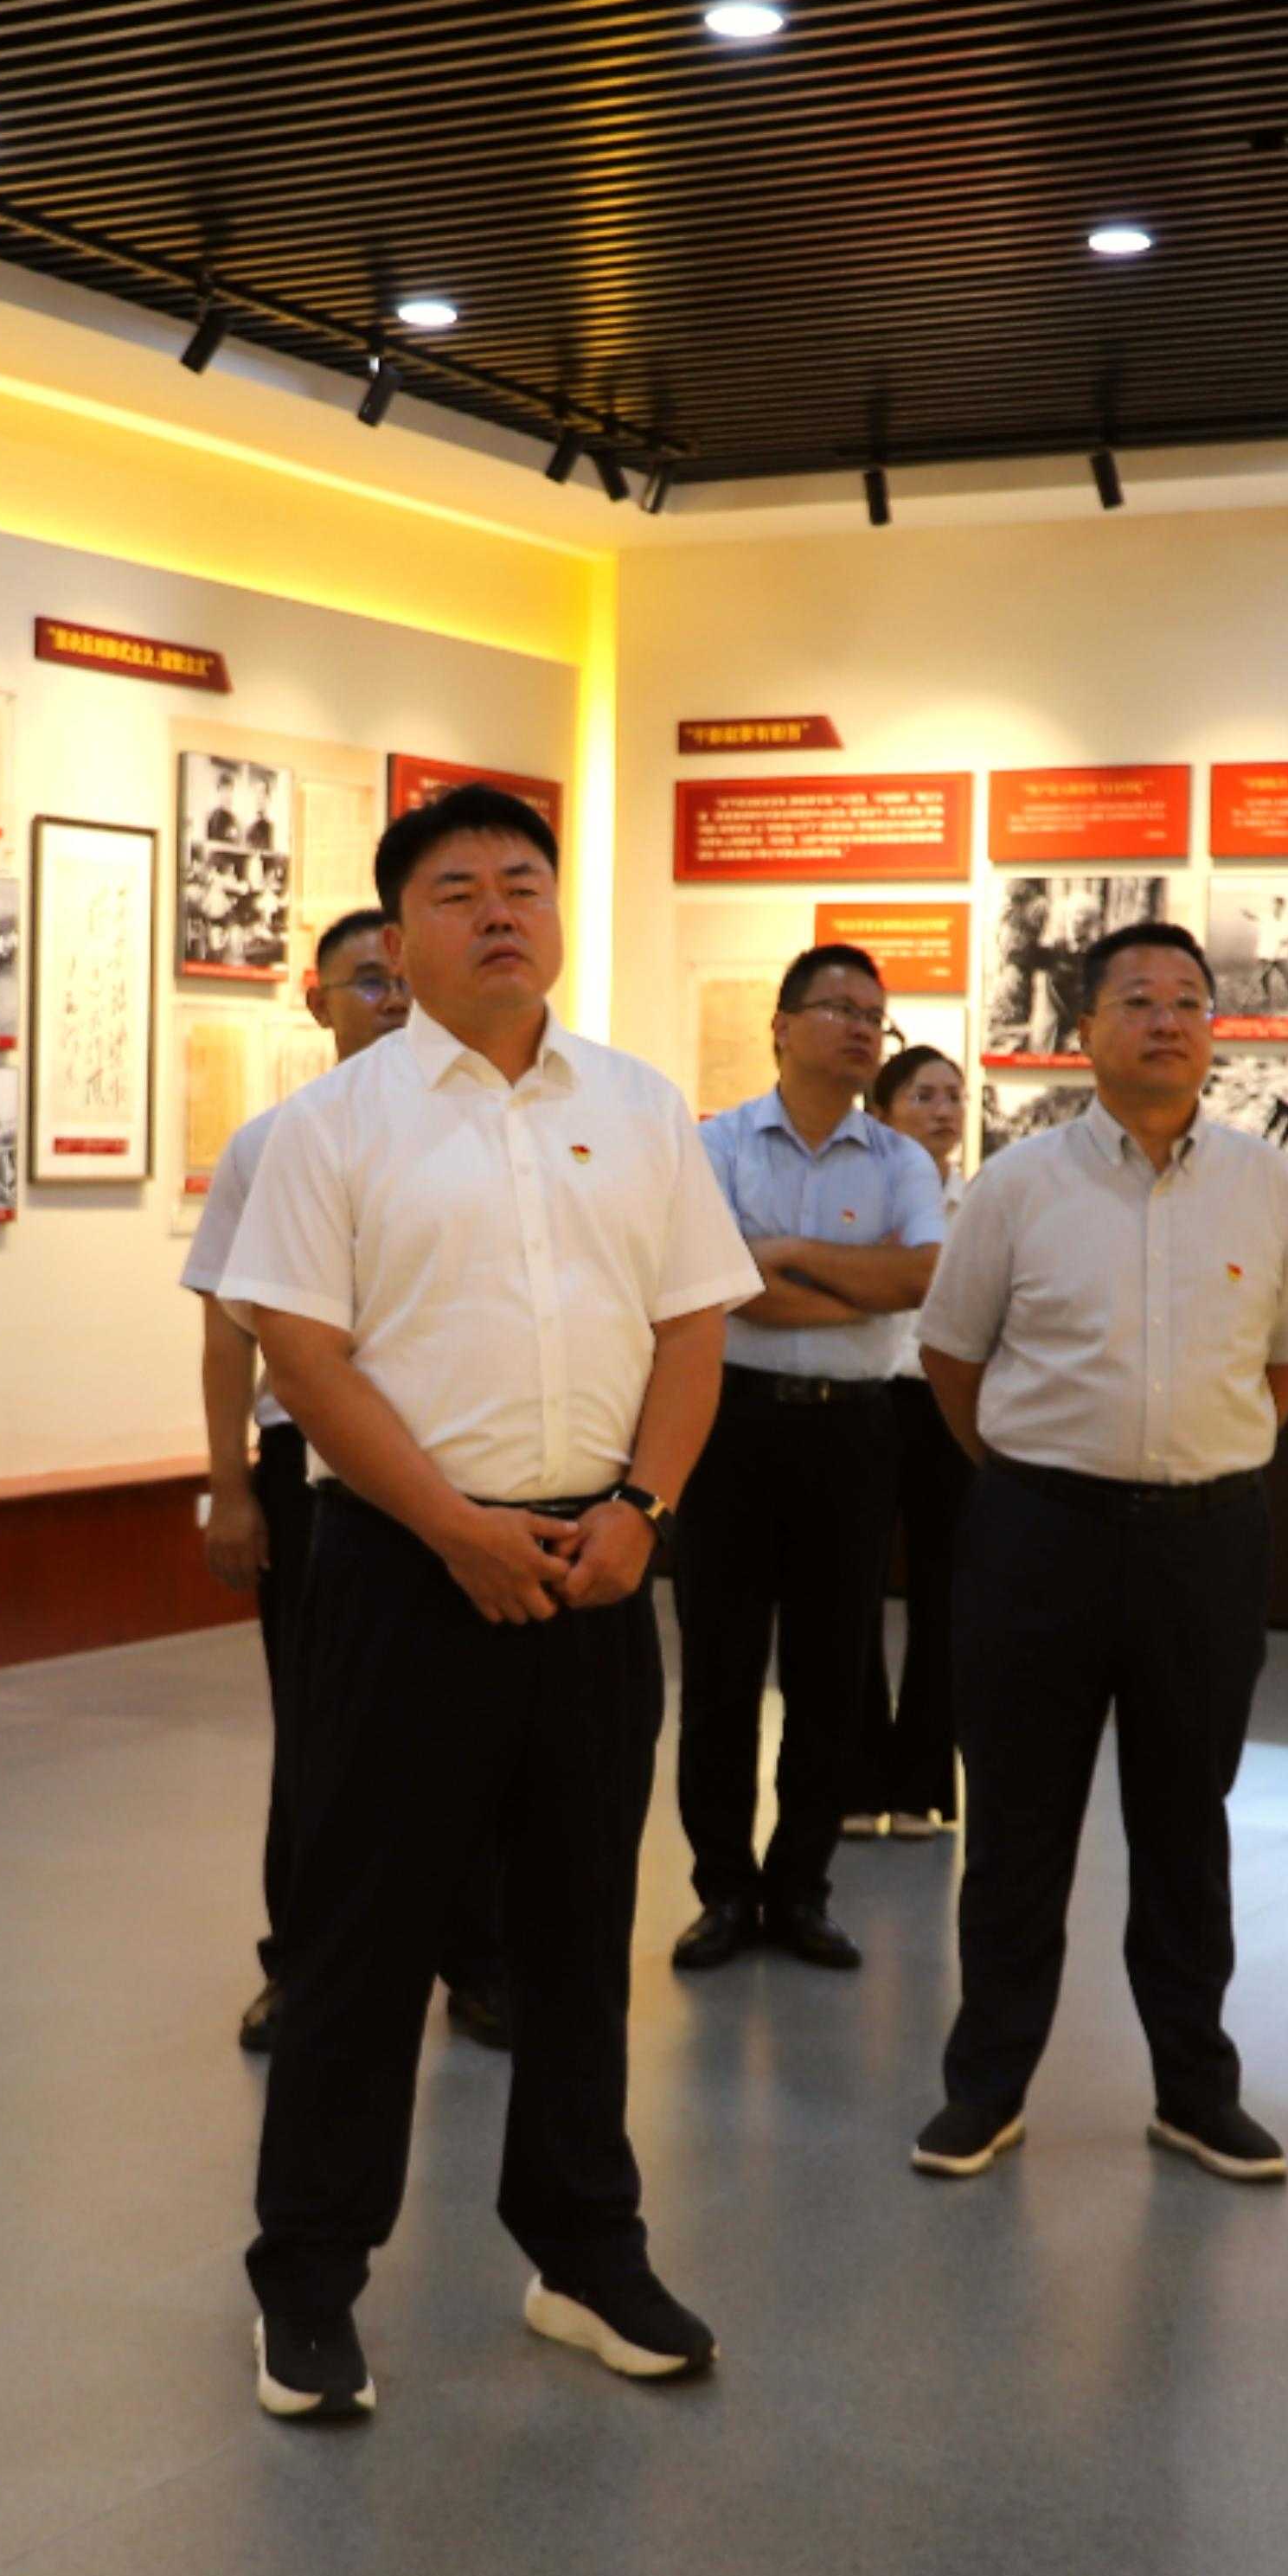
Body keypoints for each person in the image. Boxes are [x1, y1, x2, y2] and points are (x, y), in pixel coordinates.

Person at [214, 785, 757, 2419]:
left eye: (522, 881)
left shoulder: (639, 1107)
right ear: (398, 938)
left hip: (595, 1566)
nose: (498, 909)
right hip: (403, 1569)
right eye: (455, 890)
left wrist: (643, 1512)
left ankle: (582, 2250)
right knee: (361, 1941)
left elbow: (690, 1327)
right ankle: (308, 2279)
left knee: (579, 1932)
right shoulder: (328, 1127)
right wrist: (451, 1526)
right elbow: (299, 1354)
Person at [907, 922, 1288, 2188]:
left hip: (1206, 1543)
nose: (1167, 1019)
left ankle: (1195, 2093)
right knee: (1017, 1828)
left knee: (1186, 1826)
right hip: (1038, 1536)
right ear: (1083, 1031)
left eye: (1189, 1000)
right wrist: (1042, 1471)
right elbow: (951, 1357)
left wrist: (1195, 1459)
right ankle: (984, 2091)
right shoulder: (1017, 1185)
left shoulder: (1263, 1181)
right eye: (1137, 999)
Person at [182, 907, 510, 2054]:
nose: (390, 998)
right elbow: (228, 1334)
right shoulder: (272, 1143)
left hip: (463, 1463)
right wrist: (229, 1489)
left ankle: (479, 1961)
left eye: (402, 978)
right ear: (315, 1000)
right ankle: (305, 1965)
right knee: (321, 1732)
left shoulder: (483, 1130)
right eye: (366, 980)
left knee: (472, 1727)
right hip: (313, 1479)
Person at [670, 945, 942, 1973]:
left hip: (855, 1432)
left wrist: (783, 1254)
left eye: (876, 1013)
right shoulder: (717, 1145)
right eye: (841, 1008)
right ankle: (723, 1891)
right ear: (781, 1027)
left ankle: (802, 1890)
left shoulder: (901, 1160)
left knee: (833, 1673)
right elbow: (719, 1286)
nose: (864, 1028)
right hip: (729, 1423)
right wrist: (848, 1288)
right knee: (721, 1670)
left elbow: (920, 1279)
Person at [852, 1041, 974, 1839]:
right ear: (882, 1113)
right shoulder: (859, 1197)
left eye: (952, 1096)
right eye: (923, 1096)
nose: (942, 1110)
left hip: (947, 1404)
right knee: (851, 1593)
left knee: (946, 1597)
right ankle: (854, 1781)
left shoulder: (981, 1202)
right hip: (866, 1398)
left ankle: (922, 1785)